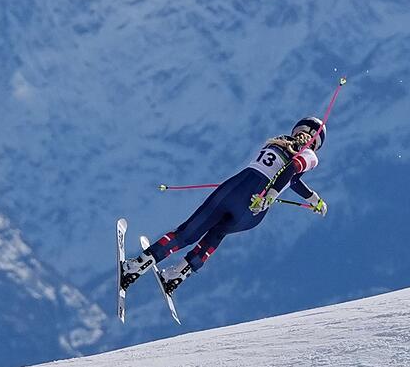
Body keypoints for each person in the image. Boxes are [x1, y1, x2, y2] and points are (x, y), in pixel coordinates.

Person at [121, 116, 329, 294]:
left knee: (188, 233)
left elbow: (290, 170)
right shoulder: (309, 155)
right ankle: (178, 274)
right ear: (316, 142)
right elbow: (291, 175)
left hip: (238, 188)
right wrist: (311, 199)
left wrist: (283, 194)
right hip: (254, 212)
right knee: (218, 234)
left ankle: (137, 266)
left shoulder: (279, 142)